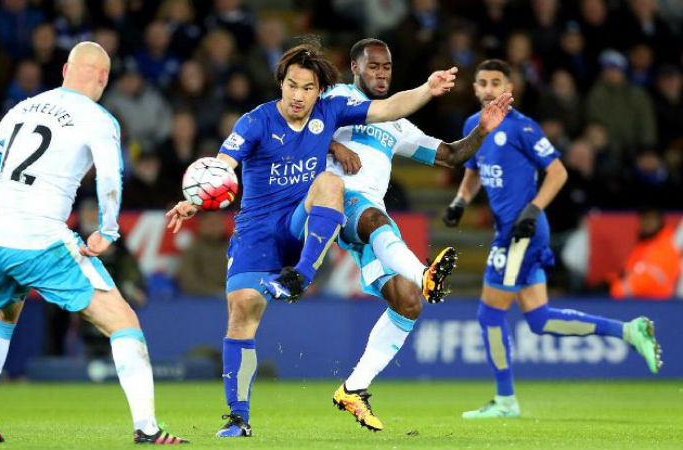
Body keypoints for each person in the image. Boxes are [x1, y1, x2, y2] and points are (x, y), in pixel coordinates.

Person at [0, 42, 188, 445]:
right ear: (104, 78)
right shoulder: (99, 119)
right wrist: (107, 231)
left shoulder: (22, 108)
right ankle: (147, 427)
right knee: (123, 322)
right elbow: (110, 177)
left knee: (5, 311)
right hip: (38, 238)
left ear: (66, 69)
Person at [165, 42, 457, 437]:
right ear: (281, 84)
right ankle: (238, 417)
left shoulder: (330, 110)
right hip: (258, 231)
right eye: (291, 85)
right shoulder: (255, 121)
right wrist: (195, 200)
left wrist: (427, 89)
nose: (298, 96)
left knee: (331, 183)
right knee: (243, 310)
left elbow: (389, 108)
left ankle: (301, 275)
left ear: (320, 91)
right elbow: (222, 166)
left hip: (301, 222)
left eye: (307, 88)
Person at [442, 59, 663, 419]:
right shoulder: (473, 126)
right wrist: (459, 201)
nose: (488, 89)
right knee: (540, 319)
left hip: (522, 231)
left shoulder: (523, 127)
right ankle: (628, 331)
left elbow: (558, 172)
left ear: (509, 88)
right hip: (511, 230)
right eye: (482, 83)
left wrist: (533, 210)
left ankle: (505, 401)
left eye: (496, 83)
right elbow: (474, 170)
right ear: (475, 87)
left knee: (489, 314)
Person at [325, 38, 512, 431]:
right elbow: (294, 123)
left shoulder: (395, 122)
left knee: (408, 302)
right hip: (332, 199)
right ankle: (423, 273)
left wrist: (482, 130)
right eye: (373, 66)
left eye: (387, 67)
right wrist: (332, 145)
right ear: (355, 67)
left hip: (365, 220)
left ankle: (353, 388)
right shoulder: (335, 96)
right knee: (376, 217)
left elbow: (452, 155)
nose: (381, 74)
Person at [609, 208, 681, 299]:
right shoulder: (643, 245)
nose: (647, 223)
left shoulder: (668, 243)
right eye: (644, 218)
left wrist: (618, 287)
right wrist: (611, 282)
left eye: (651, 218)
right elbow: (627, 271)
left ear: (660, 221)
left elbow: (658, 281)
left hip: (660, 302)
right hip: (637, 299)